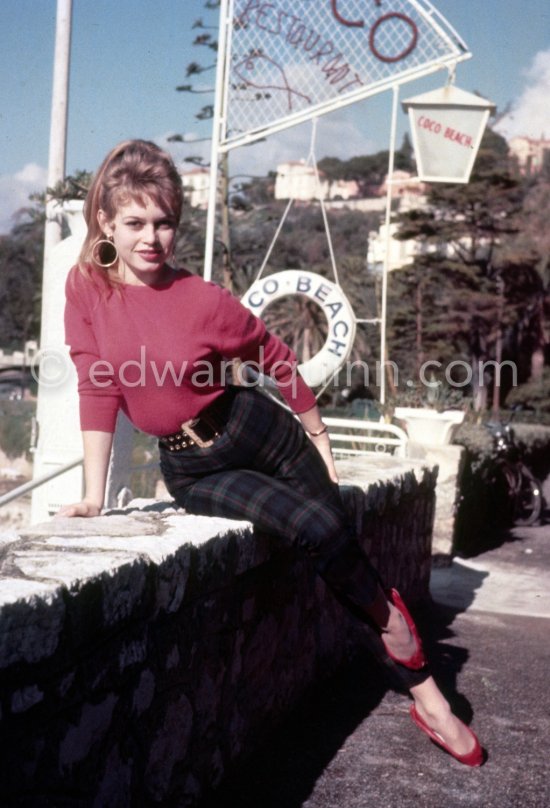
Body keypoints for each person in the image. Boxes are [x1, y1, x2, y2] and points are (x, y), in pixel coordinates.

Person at [59, 139, 484, 767]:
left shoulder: (202, 298)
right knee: (320, 529)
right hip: (194, 466)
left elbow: (277, 361)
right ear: (105, 222)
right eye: (135, 223)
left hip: (255, 426)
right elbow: (96, 385)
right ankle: (397, 630)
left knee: (336, 542)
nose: (152, 238)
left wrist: (319, 436)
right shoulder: (86, 290)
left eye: (165, 222)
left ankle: (428, 698)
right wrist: (94, 496)